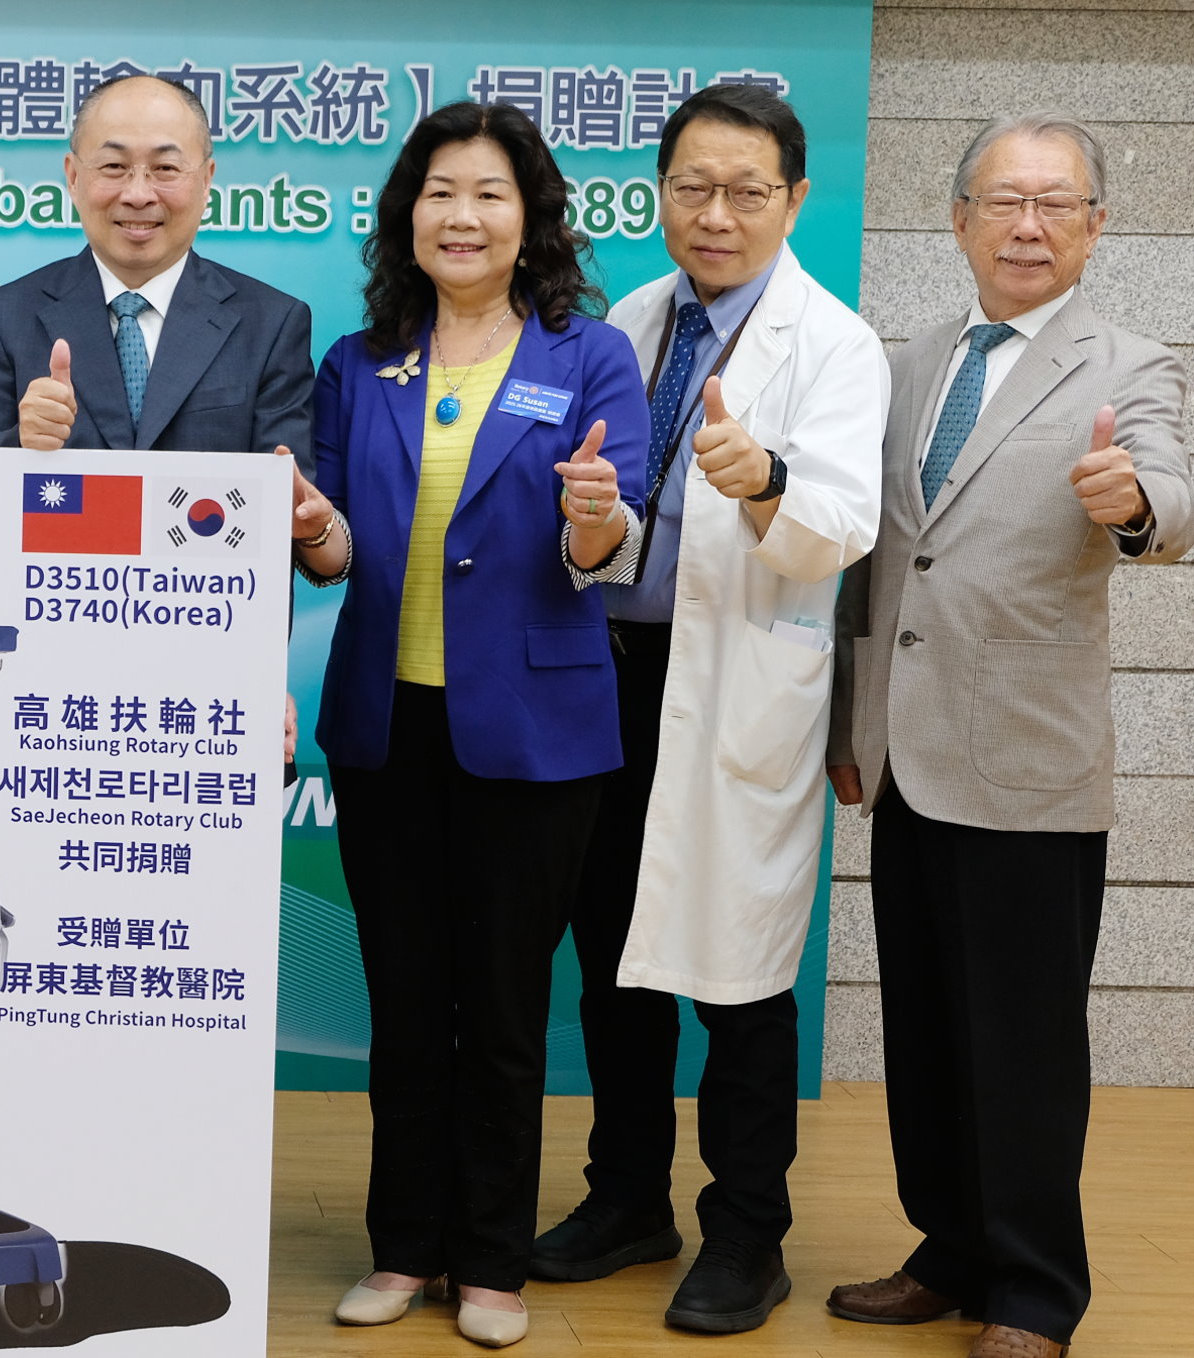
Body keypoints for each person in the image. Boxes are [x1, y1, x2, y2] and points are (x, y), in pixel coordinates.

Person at [825, 112, 1190, 1358]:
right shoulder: (911, 359)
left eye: (1055, 203)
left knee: (1024, 1042)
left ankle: (1033, 1290)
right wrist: (849, 719)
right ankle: (950, 1246)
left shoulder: (1129, 362)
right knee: (927, 1026)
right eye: (1004, 200)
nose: (1027, 225)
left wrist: (1134, 503)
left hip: (1029, 761)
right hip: (902, 751)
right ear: (958, 218)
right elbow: (873, 556)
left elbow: (1171, 492)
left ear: (1095, 226)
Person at [526, 84, 887, 1334]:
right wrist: (590, 525)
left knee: (740, 978)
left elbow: (843, 525)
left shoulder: (833, 344)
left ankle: (747, 1232)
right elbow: (610, 519)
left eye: (745, 191)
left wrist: (764, 476)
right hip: (609, 678)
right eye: (691, 187)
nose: (715, 214)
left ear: (794, 199)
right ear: (660, 193)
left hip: (734, 681)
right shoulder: (630, 320)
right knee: (611, 959)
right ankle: (626, 1196)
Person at [297, 99, 649, 1349]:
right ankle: (404, 1245)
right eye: (440, 192)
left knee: (501, 1006)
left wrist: (597, 515)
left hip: (536, 732)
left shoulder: (589, 354)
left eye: (489, 193)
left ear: (529, 217)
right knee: (405, 999)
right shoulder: (358, 362)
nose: (463, 215)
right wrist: (309, 523)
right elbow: (334, 548)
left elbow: (607, 539)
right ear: (409, 215)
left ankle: (491, 1260)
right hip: (385, 725)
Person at [0, 73, 311, 464]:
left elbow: (288, 492)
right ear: (73, 177)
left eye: (165, 168)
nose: (138, 194)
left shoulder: (271, 325)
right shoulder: (2, 319)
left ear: (206, 181)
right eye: (114, 166)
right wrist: (21, 442)